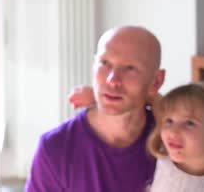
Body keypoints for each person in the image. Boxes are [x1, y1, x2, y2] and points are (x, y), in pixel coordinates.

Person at [24, 26, 165, 192]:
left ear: (156, 81)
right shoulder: (55, 148)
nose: (112, 80)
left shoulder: (172, 141)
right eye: (104, 63)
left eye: (130, 68)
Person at [146, 81, 204, 191]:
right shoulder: (163, 159)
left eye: (189, 123)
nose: (172, 132)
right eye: (169, 120)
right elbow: (154, 100)